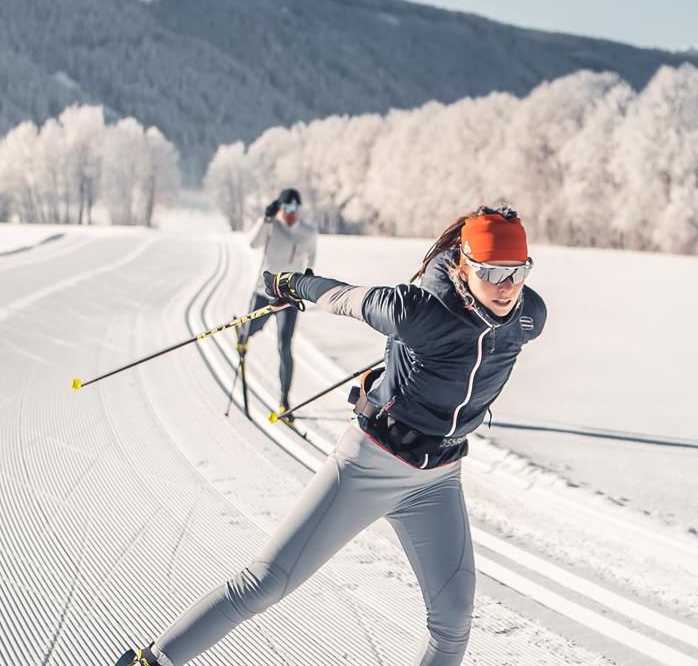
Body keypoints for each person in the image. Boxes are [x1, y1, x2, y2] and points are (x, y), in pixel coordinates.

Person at [118, 207, 545, 666]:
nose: (507, 287)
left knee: (454, 621)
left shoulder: (528, 317)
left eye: (517, 272)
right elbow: (345, 297)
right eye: (492, 272)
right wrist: (292, 285)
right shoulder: (417, 311)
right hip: (371, 463)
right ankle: (151, 660)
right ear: (463, 265)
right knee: (267, 583)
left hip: (438, 479)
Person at [241, 188, 318, 409]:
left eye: (296, 208)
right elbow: (252, 243)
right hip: (264, 292)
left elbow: (312, 258)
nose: (292, 213)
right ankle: (243, 336)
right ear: (281, 209)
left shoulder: (308, 232)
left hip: (289, 297)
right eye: (287, 208)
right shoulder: (271, 226)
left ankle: (284, 400)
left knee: (285, 345)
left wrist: (309, 277)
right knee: (251, 329)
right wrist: (265, 219)